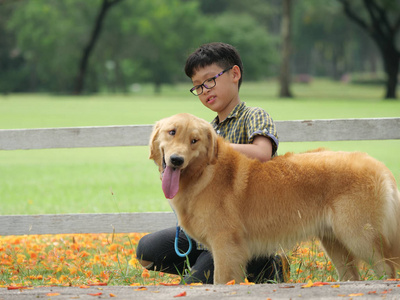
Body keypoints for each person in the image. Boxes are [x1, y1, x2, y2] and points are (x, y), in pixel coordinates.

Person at [136, 42, 286, 284]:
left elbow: (263, 153)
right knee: (146, 250)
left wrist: (211, 146)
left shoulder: (253, 115)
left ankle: (267, 265)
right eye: (197, 87)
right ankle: (207, 266)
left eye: (210, 80)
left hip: (243, 229)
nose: (204, 90)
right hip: (206, 228)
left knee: (193, 288)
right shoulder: (207, 130)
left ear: (234, 74)